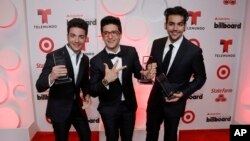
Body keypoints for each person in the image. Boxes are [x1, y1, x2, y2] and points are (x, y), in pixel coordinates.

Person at [146, 6, 207, 141]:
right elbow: (151, 64)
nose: (175, 28)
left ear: (185, 26)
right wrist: (149, 71)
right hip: (155, 100)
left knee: (170, 137)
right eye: (171, 23)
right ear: (165, 25)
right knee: (151, 134)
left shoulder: (194, 51)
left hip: (175, 102)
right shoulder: (157, 43)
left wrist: (183, 93)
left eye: (179, 24)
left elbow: (201, 78)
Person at [89, 16, 153, 141]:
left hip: (128, 107)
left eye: (114, 32)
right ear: (102, 36)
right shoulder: (96, 61)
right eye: (106, 33)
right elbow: (92, 90)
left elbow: (138, 73)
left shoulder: (131, 52)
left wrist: (147, 74)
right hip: (108, 109)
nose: (110, 36)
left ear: (120, 34)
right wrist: (106, 80)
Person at [36, 18, 91, 141]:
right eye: (73, 36)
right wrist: (52, 76)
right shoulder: (54, 56)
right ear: (67, 36)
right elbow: (39, 86)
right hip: (59, 110)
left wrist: (87, 95)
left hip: (78, 108)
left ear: (85, 38)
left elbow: (84, 82)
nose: (77, 40)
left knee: (87, 137)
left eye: (81, 36)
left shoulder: (85, 59)